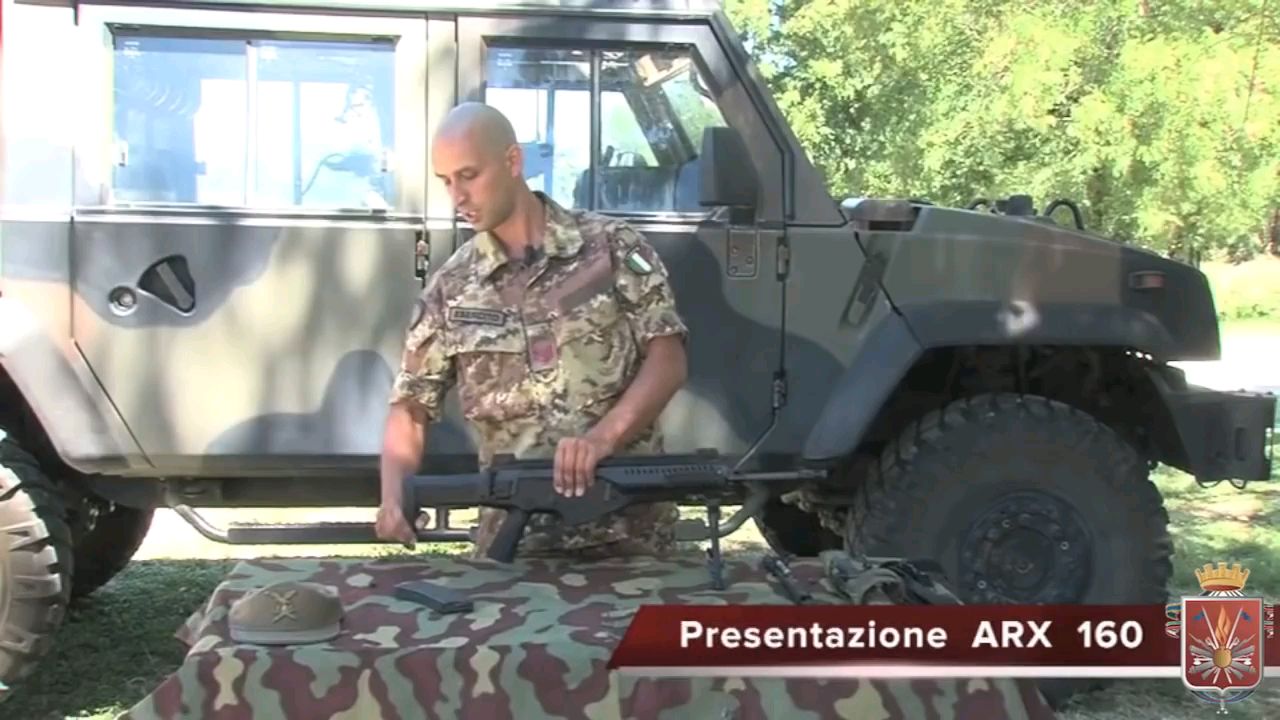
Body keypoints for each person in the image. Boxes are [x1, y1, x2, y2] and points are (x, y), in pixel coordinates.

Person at [374, 102, 690, 560]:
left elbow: (668, 358)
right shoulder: (451, 289)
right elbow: (410, 406)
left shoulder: (610, 248)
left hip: (629, 533)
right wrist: (393, 496)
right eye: (446, 181)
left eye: (469, 175)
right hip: (516, 546)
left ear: (513, 161)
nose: (457, 196)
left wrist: (601, 440)